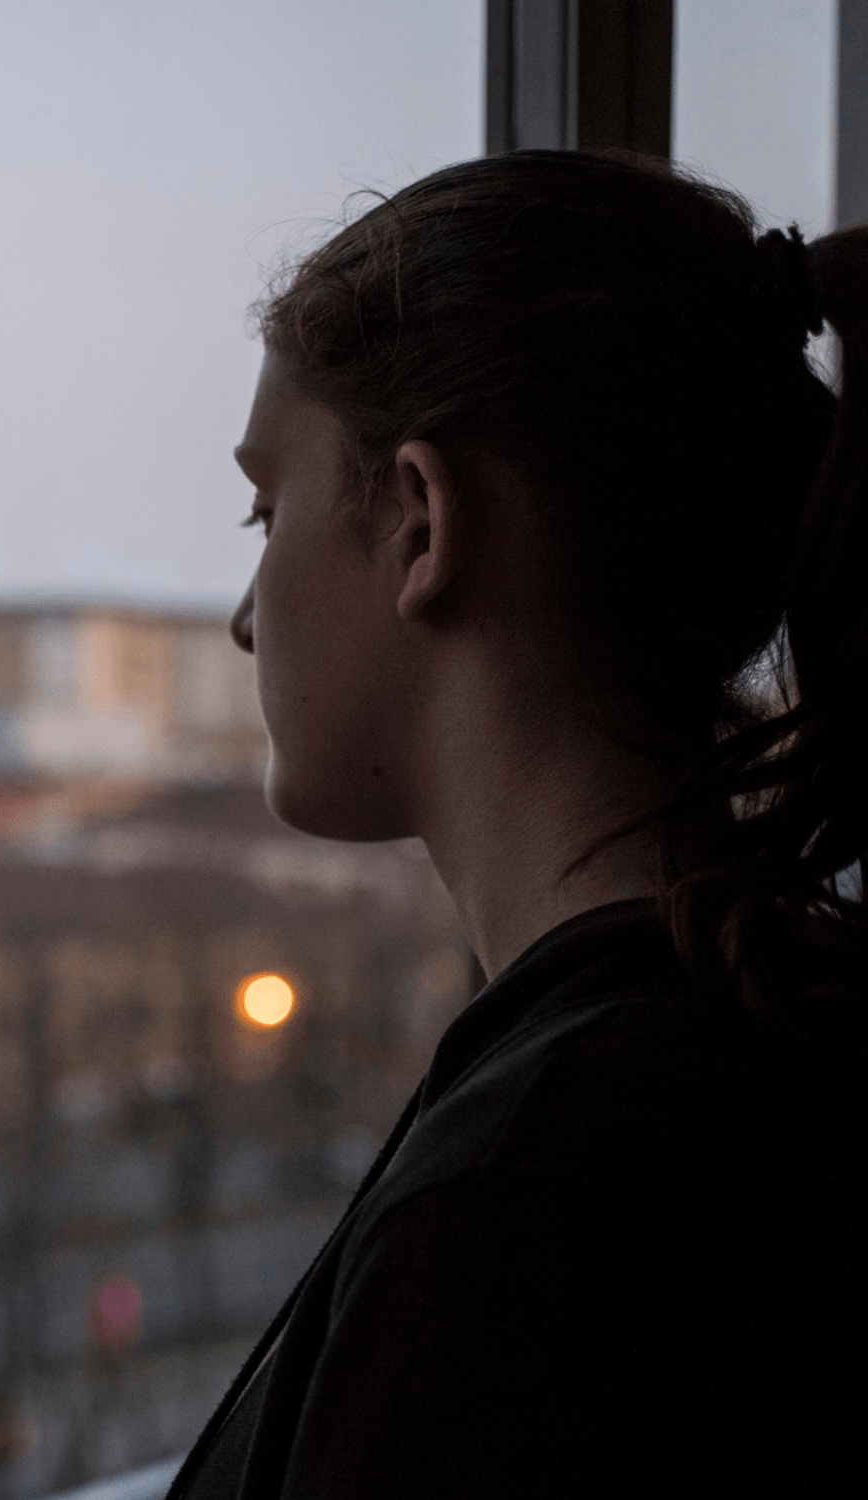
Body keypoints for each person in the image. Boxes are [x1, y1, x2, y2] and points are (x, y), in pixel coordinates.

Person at [168, 150, 868, 1498]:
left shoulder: (530, 1200)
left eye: (269, 507)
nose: (245, 614)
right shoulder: (768, 1033)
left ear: (421, 523)